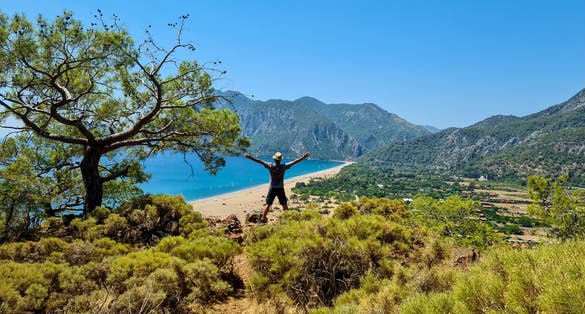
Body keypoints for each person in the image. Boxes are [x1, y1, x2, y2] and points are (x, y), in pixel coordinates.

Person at [245, 151, 310, 223]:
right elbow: (294, 162)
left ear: (274, 159)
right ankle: (289, 218)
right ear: (280, 160)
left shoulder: (270, 166)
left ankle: (263, 218)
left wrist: (250, 157)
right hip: (280, 188)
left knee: (268, 204)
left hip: (272, 187)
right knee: (284, 204)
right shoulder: (284, 166)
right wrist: (303, 157)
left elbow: (260, 161)